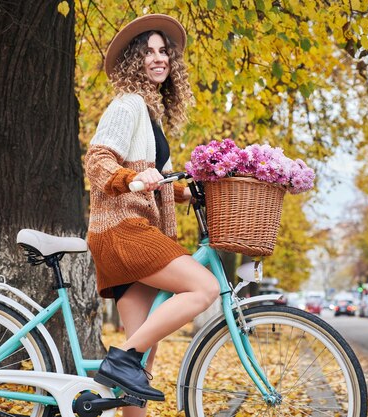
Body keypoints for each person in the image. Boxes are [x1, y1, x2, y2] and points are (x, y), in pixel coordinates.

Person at [84, 13, 220, 413]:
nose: (158, 58)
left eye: (163, 51)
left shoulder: (150, 115)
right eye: (148, 52)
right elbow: (97, 160)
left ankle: (124, 363)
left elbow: (153, 179)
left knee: (138, 372)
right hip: (123, 231)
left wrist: (184, 193)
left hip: (131, 230)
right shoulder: (127, 105)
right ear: (133, 61)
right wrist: (130, 180)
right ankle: (119, 359)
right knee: (204, 287)